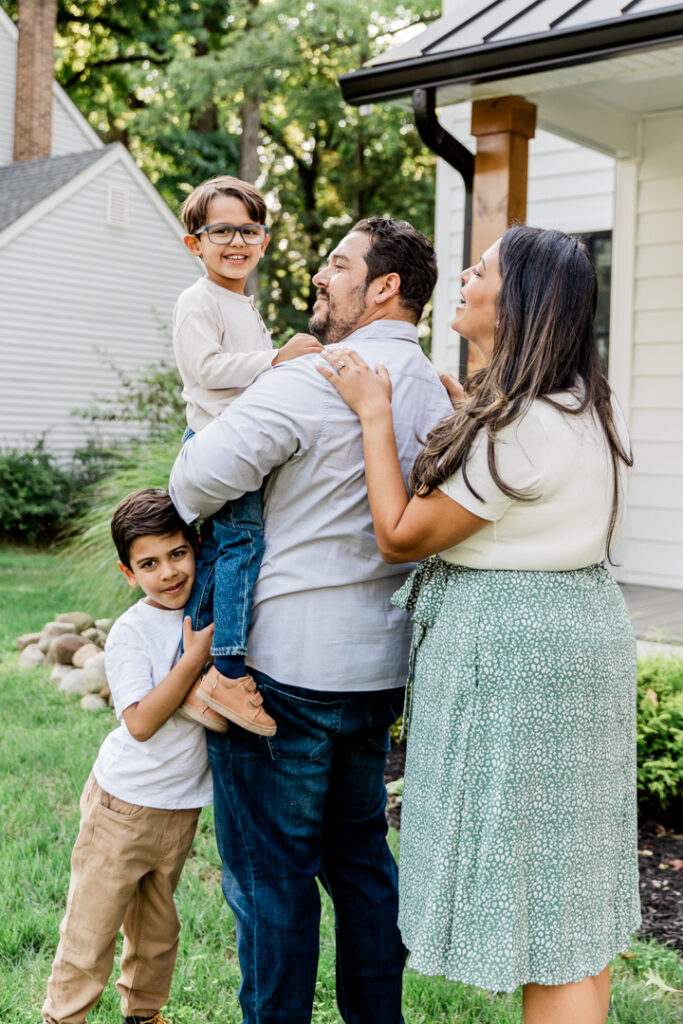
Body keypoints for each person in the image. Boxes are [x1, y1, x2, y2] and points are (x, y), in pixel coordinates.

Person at [317, 225, 640, 1024]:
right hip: (575, 638)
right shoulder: (573, 404)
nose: (464, 274)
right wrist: (467, 406)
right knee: (569, 892)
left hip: (520, 663)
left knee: (540, 901)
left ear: (520, 300)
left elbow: (398, 532)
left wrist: (372, 409)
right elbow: (517, 486)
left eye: (483, 268)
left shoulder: (516, 427)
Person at [169, 217, 454, 1024]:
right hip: (378, 671)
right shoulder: (436, 391)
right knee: (360, 860)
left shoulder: (312, 378)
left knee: (273, 879)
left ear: (385, 286)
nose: (320, 279)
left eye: (337, 264)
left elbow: (194, 482)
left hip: (282, 677)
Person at [42, 489, 221, 1024]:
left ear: (195, 549)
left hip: (179, 806)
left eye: (177, 554)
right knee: (91, 927)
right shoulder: (132, 632)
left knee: (158, 929)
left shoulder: (207, 608)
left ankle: (144, 1014)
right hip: (122, 806)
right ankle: (64, 1016)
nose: (168, 572)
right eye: (149, 563)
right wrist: (192, 660)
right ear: (129, 573)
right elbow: (140, 722)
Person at [174, 175, 321, 735]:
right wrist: (276, 359)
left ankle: (198, 665)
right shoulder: (197, 301)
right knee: (242, 542)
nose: (237, 241)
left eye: (250, 229)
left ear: (263, 240)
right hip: (216, 446)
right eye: (222, 230)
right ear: (195, 242)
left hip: (238, 446)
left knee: (222, 547)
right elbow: (206, 371)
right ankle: (230, 670)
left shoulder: (240, 303)